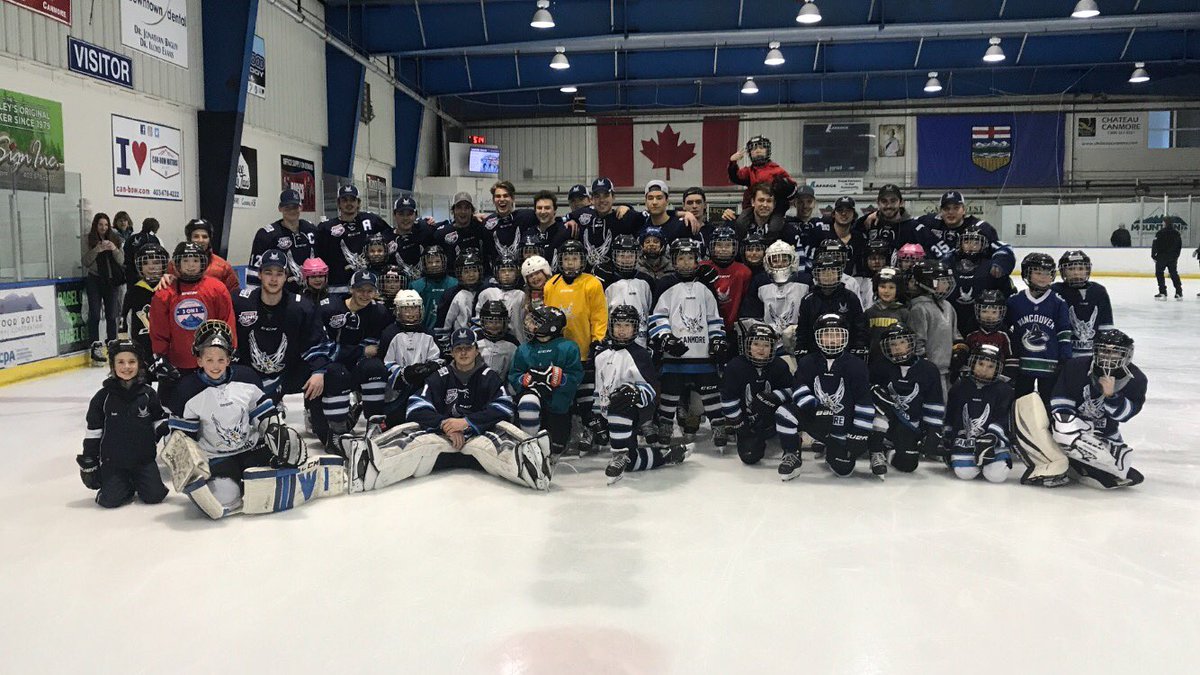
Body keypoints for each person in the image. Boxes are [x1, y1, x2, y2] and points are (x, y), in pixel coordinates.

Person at [346, 328, 551, 492]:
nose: (463, 353)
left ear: (476, 350)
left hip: (480, 434)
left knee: (501, 440)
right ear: (452, 352)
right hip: (444, 436)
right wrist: (444, 424)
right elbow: (416, 406)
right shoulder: (440, 375)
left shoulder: (488, 376)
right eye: (458, 348)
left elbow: (504, 407)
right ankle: (369, 461)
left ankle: (530, 464)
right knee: (411, 435)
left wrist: (467, 423)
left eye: (468, 348)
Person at [160, 320, 312, 519]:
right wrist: (189, 466)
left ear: (229, 359)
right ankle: (235, 484)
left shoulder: (247, 377)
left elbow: (263, 412)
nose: (215, 366)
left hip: (251, 449)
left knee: (282, 456)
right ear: (199, 360)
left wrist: (275, 431)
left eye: (221, 359)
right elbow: (184, 437)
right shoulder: (187, 390)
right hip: (217, 456)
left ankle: (271, 475)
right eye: (209, 359)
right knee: (225, 496)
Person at [594, 306, 690, 483]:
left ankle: (618, 455)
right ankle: (666, 455)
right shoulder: (601, 355)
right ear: (611, 326)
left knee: (619, 399)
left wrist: (636, 394)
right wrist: (597, 415)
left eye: (627, 325)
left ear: (636, 328)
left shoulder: (640, 354)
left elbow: (651, 390)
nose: (622, 330)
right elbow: (599, 388)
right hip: (613, 411)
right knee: (631, 462)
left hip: (637, 409)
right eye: (618, 325)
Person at [231, 249, 331, 417]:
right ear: (260, 275)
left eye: (279, 273)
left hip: (288, 374)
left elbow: (317, 343)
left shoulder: (301, 307)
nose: (273, 279)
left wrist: (319, 371)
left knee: (333, 374)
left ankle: (323, 424)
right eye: (268, 272)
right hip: (249, 375)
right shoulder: (240, 302)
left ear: (286, 276)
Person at [775, 314, 874, 480]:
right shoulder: (807, 362)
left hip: (842, 426)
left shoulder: (857, 365)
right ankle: (791, 453)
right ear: (818, 337)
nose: (833, 340)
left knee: (844, 471)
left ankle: (832, 448)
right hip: (816, 420)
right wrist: (815, 408)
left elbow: (864, 401)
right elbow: (798, 389)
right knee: (784, 412)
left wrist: (859, 432)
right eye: (827, 335)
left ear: (845, 336)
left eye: (837, 334)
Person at [649, 239, 728, 444]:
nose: (685, 263)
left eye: (690, 258)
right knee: (670, 392)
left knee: (710, 391)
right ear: (673, 261)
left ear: (697, 261)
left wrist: (718, 340)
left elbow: (713, 318)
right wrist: (666, 338)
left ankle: (718, 425)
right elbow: (658, 316)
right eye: (681, 258)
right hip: (675, 354)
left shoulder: (705, 287)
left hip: (702, 353)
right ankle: (666, 424)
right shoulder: (666, 284)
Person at [1049, 329, 1147, 489]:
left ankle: (1091, 466)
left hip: (1106, 432)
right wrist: (1071, 429)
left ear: (1127, 354)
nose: (1108, 356)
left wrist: (1110, 396)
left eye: (1115, 352)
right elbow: (1060, 401)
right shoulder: (1076, 366)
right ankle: (1076, 463)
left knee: (1121, 462)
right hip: (1075, 426)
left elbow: (1124, 415)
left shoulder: (1136, 379)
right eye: (1104, 350)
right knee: (1064, 430)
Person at [78, 339, 169, 508]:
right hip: (114, 462)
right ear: (112, 365)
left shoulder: (148, 394)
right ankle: (121, 485)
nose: (126, 367)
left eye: (132, 362)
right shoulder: (102, 398)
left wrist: (166, 428)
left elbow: (158, 418)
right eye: (120, 362)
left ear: (139, 364)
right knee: (110, 501)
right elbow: (94, 432)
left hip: (144, 460)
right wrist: (89, 459)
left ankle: (137, 481)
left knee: (155, 496)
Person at [149, 242, 236, 412]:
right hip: (178, 365)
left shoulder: (217, 288)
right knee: (173, 410)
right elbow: (159, 330)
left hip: (211, 363)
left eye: (195, 260)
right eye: (186, 260)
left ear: (203, 262)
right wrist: (161, 356)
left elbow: (227, 322)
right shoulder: (164, 293)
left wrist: (231, 349)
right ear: (177, 264)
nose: (190, 265)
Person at [314, 270, 393, 455]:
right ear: (351, 289)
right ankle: (337, 431)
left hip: (357, 365)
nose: (365, 295)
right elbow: (321, 346)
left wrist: (354, 352)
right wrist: (358, 351)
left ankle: (374, 425)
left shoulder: (379, 311)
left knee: (376, 368)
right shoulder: (328, 308)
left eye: (369, 290)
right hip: (330, 368)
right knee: (337, 372)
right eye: (360, 290)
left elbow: (374, 347)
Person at [543, 239, 609, 449]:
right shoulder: (551, 284)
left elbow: (599, 315)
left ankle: (588, 431)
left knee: (586, 397)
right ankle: (563, 434)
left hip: (583, 350)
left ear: (582, 261)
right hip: (559, 352)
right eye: (566, 259)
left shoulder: (592, 283)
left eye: (575, 259)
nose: (570, 263)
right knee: (563, 395)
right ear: (560, 261)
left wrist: (597, 340)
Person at [869, 323, 946, 477]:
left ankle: (888, 450)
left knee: (909, 463)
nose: (898, 347)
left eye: (902, 342)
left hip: (910, 425)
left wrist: (933, 431)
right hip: (885, 421)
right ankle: (875, 449)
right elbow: (867, 394)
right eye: (893, 344)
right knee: (880, 405)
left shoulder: (928, 369)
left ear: (911, 342)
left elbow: (934, 402)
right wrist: (873, 391)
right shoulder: (879, 366)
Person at [511, 305, 584, 459]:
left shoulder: (568, 347)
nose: (530, 324)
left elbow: (576, 376)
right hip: (534, 401)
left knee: (556, 446)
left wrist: (563, 379)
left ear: (550, 327)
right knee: (527, 402)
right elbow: (514, 374)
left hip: (558, 407)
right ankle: (528, 445)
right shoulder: (524, 349)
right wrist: (522, 380)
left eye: (536, 321)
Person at [720, 324, 793, 465]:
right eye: (756, 344)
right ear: (748, 345)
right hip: (746, 422)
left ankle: (780, 435)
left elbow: (791, 390)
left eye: (766, 345)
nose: (761, 349)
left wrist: (774, 397)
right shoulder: (735, 366)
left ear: (772, 347)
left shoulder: (779, 365)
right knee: (750, 456)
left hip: (772, 420)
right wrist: (740, 425)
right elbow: (728, 398)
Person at [1007, 253, 1073, 406]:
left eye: (1047, 273)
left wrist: (1065, 359)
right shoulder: (1015, 301)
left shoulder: (1058, 302)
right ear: (1026, 274)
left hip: (1050, 365)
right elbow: (1007, 331)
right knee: (1021, 404)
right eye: (1038, 273)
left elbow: (1064, 332)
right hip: (1022, 365)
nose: (1043, 277)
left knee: (1047, 404)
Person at [944, 344, 1014, 483]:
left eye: (990, 366)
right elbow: (952, 414)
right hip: (965, 441)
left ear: (997, 369)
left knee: (997, 476)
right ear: (972, 363)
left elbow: (1005, 417)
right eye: (980, 364)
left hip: (993, 442)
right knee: (965, 474)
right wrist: (948, 438)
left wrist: (993, 436)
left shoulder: (1004, 390)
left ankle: (990, 461)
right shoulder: (960, 386)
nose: (984, 370)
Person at [373, 290, 442, 428]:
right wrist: (405, 373)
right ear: (398, 311)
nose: (411, 313)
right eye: (406, 309)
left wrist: (430, 367)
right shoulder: (389, 333)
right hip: (396, 390)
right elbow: (384, 364)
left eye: (414, 308)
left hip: (423, 387)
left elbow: (438, 359)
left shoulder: (428, 333)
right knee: (395, 421)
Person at [794, 248, 868, 361]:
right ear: (816, 275)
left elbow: (859, 326)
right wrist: (802, 348)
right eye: (823, 272)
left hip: (846, 353)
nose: (828, 276)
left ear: (839, 273)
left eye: (832, 271)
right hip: (816, 353)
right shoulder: (808, 300)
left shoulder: (850, 297)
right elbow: (802, 330)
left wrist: (858, 347)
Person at [741, 240, 810, 359]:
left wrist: (798, 330)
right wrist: (766, 333)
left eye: (784, 259)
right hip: (768, 343)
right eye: (775, 260)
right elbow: (749, 315)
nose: (780, 264)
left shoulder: (806, 281)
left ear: (792, 260)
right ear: (767, 261)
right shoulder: (760, 282)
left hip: (799, 342)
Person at [316, 185, 389, 293]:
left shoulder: (371, 220)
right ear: (338, 203)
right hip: (337, 287)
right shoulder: (326, 228)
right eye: (344, 200)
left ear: (358, 202)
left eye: (352, 200)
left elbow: (390, 237)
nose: (348, 203)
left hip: (367, 284)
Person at [907, 260, 964, 394]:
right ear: (928, 283)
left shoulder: (948, 306)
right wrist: (926, 368)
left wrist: (959, 353)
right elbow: (918, 344)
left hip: (947, 372)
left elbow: (956, 335)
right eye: (942, 281)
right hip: (931, 373)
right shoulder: (919, 309)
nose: (947, 285)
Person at [246, 189, 318, 288]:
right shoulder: (266, 235)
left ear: (301, 207)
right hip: (280, 295)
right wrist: (253, 296)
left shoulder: (311, 229)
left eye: (295, 207)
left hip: (310, 294)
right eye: (287, 207)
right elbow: (254, 270)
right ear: (280, 208)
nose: (292, 211)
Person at [1051, 250, 1114, 359]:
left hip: (1092, 356)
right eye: (1071, 269)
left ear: (1087, 270)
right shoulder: (1055, 291)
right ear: (1063, 271)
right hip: (1064, 355)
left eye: (1081, 269)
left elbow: (1106, 326)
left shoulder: (1099, 291)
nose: (1076, 273)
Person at [598, 235, 656, 346]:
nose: (626, 259)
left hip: (641, 341)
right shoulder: (606, 281)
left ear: (636, 256)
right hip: (614, 340)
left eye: (630, 255)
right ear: (614, 256)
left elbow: (651, 310)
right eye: (621, 255)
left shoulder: (646, 280)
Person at [82, 212, 126, 361]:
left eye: (106, 225)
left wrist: (114, 249)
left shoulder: (116, 239)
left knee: (111, 314)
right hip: (94, 279)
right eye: (100, 224)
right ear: (96, 225)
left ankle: (112, 343)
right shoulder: (89, 239)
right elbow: (86, 261)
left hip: (111, 280)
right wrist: (97, 250)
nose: (103, 227)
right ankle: (95, 345)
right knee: (94, 313)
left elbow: (121, 261)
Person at [698, 226, 752, 333]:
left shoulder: (744, 271)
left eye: (728, 245)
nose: (723, 249)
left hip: (734, 329)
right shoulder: (702, 268)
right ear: (712, 246)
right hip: (705, 326)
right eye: (719, 245)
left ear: (734, 247)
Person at [166, 219, 240, 293]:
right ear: (189, 239)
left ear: (209, 239)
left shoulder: (223, 266)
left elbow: (234, 294)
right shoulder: (175, 264)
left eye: (204, 237)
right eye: (196, 236)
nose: (200, 240)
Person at [123, 244, 169, 361]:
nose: (151, 267)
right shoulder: (134, 291)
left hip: (167, 349)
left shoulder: (171, 289)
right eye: (146, 263)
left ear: (164, 264)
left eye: (156, 262)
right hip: (141, 349)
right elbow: (124, 319)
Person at [727, 136, 795, 213]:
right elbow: (735, 177)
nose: (758, 150)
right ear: (750, 152)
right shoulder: (748, 171)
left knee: (775, 224)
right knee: (741, 222)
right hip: (752, 210)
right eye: (754, 148)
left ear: (767, 151)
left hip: (774, 211)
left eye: (761, 147)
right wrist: (732, 162)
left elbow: (792, 191)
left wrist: (785, 188)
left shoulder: (777, 171)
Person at [475, 254, 527, 342]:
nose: (507, 274)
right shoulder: (487, 293)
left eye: (511, 270)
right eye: (503, 271)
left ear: (517, 273)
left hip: (517, 341)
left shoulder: (521, 295)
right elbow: (478, 320)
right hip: (490, 342)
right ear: (496, 273)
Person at [864, 267, 909, 364]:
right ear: (876, 288)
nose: (886, 291)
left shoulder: (905, 312)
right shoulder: (869, 313)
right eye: (882, 286)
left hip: (898, 361)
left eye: (891, 287)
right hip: (874, 361)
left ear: (899, 289)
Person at [431, 192, 486, 270]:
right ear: (453, 210)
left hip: (478, 277)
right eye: (459, 207)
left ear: (472, 211)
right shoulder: (442, 234)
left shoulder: (480, 227)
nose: (463, 211)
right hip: (453, 279)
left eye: (467, 208)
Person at [410, 245, 458, 331]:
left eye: (437, 261)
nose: (434, 265)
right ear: (424, 264)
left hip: (451, 332)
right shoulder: (416, 286)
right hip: (424, 333)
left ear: (443, 262)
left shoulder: (455, 283)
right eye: (430, 262)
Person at [389, 195, 434, 277]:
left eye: (409, 214)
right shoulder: (387, 238)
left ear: (416, 215)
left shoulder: (425, 230)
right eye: (401, 214)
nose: (405, 218)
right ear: (394, 215)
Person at [122, 216, 159, 292]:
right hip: (148, 275)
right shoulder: (154, 240)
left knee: (133, 298)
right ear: (155, 229)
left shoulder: (131, 238)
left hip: (131, 275)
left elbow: (125, 257)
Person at [1151, 217, 1183, 299]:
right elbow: (1179, 246)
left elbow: (1155, 244)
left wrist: (1153, 255)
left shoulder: (1160, 233)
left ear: (1165, 223)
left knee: (1159, 273)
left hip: (1162, 256)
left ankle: (1162, 292)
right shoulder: (1176, 233)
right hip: (1172, 257)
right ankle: (1179, 292)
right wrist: (1176, 255)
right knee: (1173, 273)